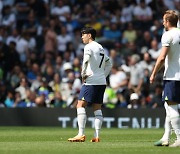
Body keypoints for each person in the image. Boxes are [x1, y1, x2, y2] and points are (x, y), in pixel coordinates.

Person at [68, 27, 112, 142]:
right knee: (97, 108)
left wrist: (83, 74)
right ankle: (96, 136)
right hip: (101, 81)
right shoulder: (100, 47)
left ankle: (81, 134)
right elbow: (109, 63)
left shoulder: (88, 47)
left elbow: (86, 60)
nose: (82, 37)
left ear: (90, 35)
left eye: (83, 34)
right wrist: (103, 75)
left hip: (91, 81)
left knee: (80, 105)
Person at [150, 10, 180, 147]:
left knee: (171, 105)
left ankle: (179, 137)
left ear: (168, 22)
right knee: (168, 105)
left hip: (173, 76)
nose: (162, 22)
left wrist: (153, 73)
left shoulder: (168, 35)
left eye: (163, 20)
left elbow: (162, 57)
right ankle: (166, 137)